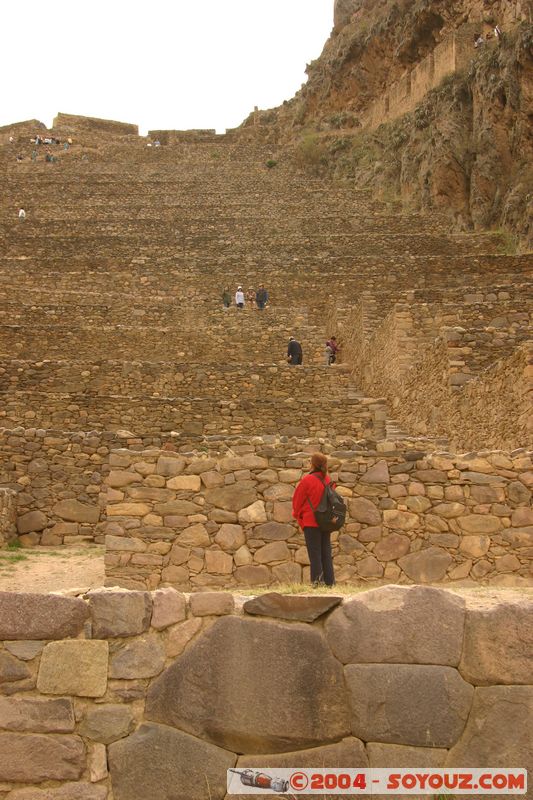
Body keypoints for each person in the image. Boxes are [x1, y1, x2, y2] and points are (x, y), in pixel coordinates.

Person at [292, 452, 336, 587]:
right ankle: (330, 582)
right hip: (325, 522)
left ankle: (317, 582)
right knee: (326, 553)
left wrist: (298, 517)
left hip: (311, 522)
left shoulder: (307, 481)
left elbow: (297, 503)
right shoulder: (328, 480)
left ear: (312, 464)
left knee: (315, 554)